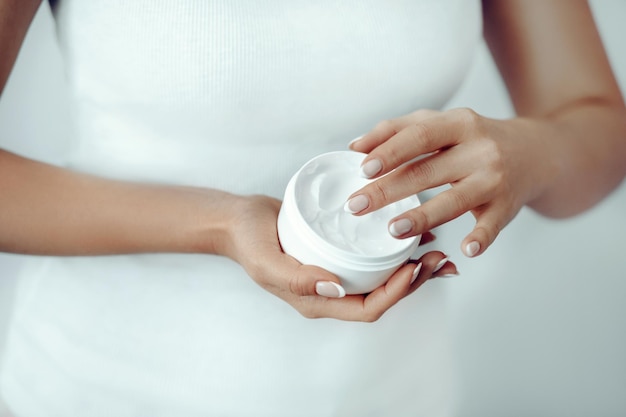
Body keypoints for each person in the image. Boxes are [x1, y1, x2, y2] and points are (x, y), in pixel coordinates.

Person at [0, 0, 624, 416]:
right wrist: (220, 223)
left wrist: (528, 152)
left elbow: (596, 121)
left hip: (395, 392)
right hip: (108, 387)